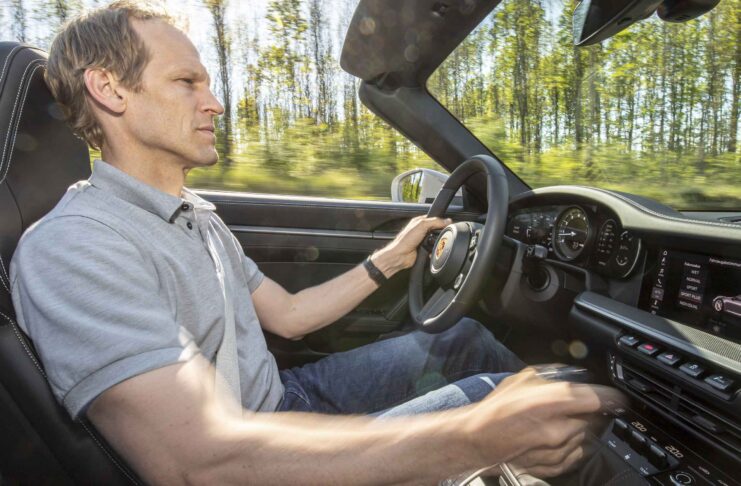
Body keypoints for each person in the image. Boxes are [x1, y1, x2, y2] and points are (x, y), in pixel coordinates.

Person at [10, 2, 624, 484]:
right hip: (245, 452)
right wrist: (476, 436)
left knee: (462, 340)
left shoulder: (195, 215)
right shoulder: (73, 247)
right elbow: (198, 464)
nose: (214, 103)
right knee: (501, 405)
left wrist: (392, 258)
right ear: (110, 89)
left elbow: (291, 315)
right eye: (186, 82)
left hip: (283, 399)